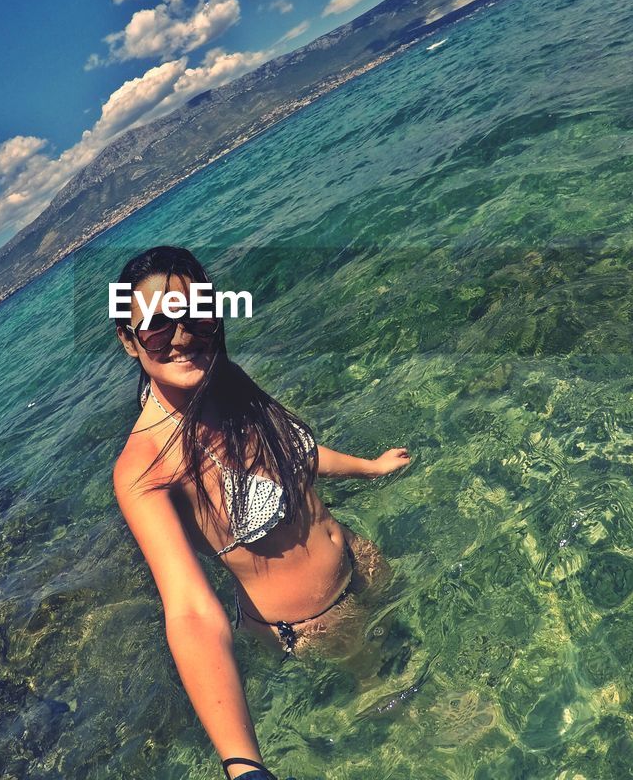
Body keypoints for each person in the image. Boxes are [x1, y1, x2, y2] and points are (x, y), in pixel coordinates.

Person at [110, 246, 412, 780]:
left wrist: (370, 467)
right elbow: (189, 611)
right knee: (411, 726)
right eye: (156, 327)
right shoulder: (146, 469)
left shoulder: (225, 385)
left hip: (362, 562)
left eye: (196, 314)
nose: (181, 336)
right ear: (130, 342)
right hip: (318, 628)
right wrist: (242, 765)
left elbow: (293, 456)